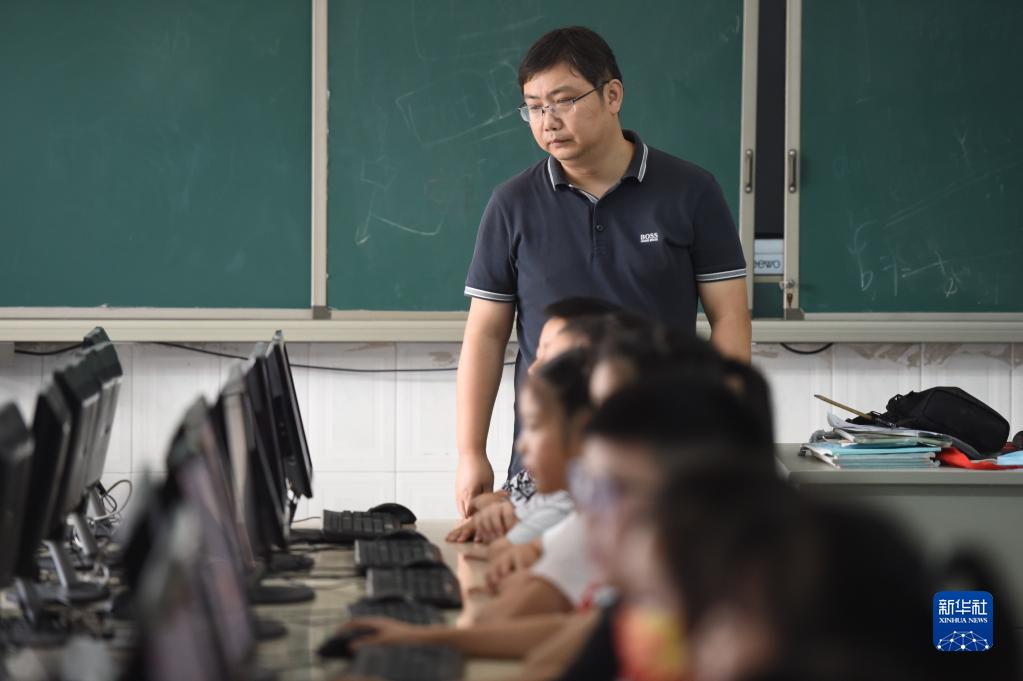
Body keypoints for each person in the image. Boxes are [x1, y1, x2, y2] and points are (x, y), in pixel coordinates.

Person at [455, 25, 751, 516]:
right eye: (534, 107)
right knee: (519, 562)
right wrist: (471, 452)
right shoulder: (512, 204)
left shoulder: (692, 191)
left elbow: (730, 318)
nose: (548, 121)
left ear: (612, 95)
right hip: (546, 470)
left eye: (563, 101)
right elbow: (485, 334)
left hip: (663, 462)